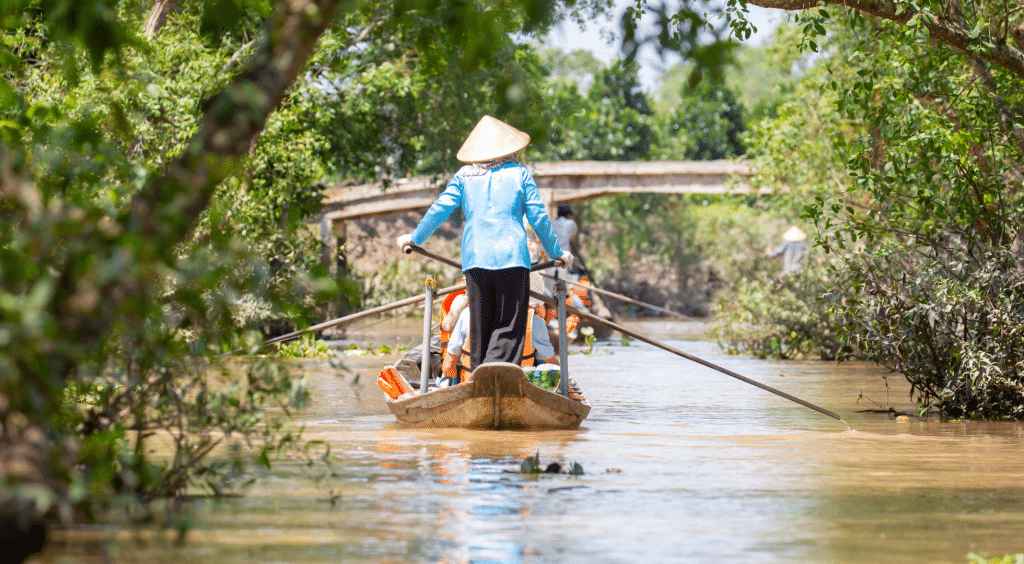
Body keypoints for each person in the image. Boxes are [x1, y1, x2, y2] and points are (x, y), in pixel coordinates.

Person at [397, 115, 571, 373]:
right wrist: (558, 253)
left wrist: (415, 238)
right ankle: (497, 374)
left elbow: (439, 209)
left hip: (476, 259)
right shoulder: (520, 174)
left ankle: (480, 376)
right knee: (509, 328)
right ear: (511, 150)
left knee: (480, 327)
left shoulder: (463, 176)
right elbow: (538, 217)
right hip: (513, 259)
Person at [442, 274, 559, 383]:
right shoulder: (536, 322)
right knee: (543, 364)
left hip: (475, 390)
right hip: (518, 391)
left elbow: (448, 366)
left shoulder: (467, 315)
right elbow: (552, 363)